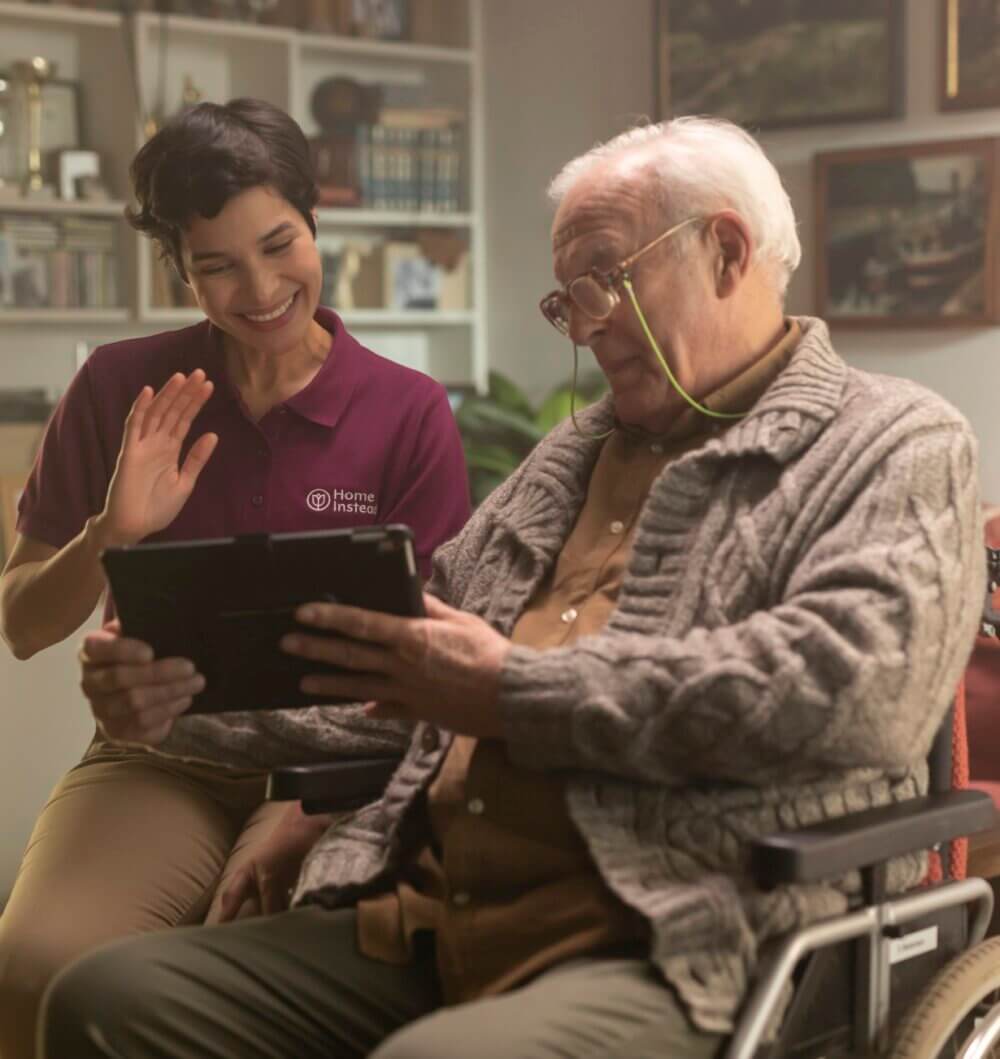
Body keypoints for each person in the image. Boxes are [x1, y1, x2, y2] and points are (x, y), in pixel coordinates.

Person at [47, 116, 984, 1059]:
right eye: (564, 300)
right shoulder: (567, 459)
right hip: (436, 907)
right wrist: (180, 694)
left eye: (605, 282)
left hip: (679, 931)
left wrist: (508, 689)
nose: (581, 325)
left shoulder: (894, 443)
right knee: (108, 997)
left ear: (727, 251)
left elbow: (852, 695)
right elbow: (394, 671)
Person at [0, 98, 469, 1059]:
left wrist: (309, 808)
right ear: (177, 267)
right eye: (216, 264)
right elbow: (21, 621)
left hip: (341, 774)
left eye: (278, 244)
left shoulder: (409, 410)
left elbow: (439, 656)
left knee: (258, 996)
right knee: (32, 967)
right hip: (160, 762)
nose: (258, 288)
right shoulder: (117, 389)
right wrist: (110, 531)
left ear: (314, 222)